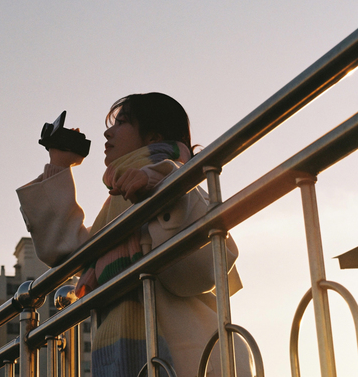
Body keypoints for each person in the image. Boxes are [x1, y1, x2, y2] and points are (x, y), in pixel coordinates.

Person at [17, 93, 252, 377]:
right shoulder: (118, 204)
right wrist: (59, 164)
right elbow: (65, 250)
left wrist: (157, 185)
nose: (108, 132)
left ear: (153, 137)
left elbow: (204, 268)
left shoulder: (185, 184)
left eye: (123, 122)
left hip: (193, 363)